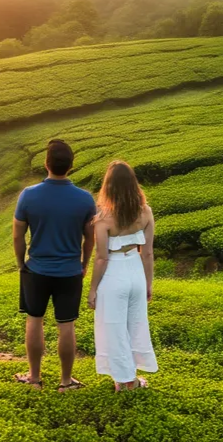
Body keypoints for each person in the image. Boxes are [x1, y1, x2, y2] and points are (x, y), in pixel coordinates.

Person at [12, 139, 96, 392]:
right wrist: (83, 264)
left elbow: (18, 236)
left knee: (34, 320)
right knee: (66, 325)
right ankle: (66, 381)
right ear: (71, 166)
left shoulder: (28, 195)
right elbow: (89, 238)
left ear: (46, 163)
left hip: (35, 270)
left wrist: (20, 264)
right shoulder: (84, 199)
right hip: (70, 272)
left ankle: (35, 378)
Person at [87, 160, 158, 391]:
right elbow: (147, 253)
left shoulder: (103, 217)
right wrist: (148, 283)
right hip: (136, 270)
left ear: (108, 186)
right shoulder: (145, 212)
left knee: (113, 328)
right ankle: (130, 378)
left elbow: (101, 257)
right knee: (134, 325)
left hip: (113, 274)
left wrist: (92, 288)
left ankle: (125, 381)